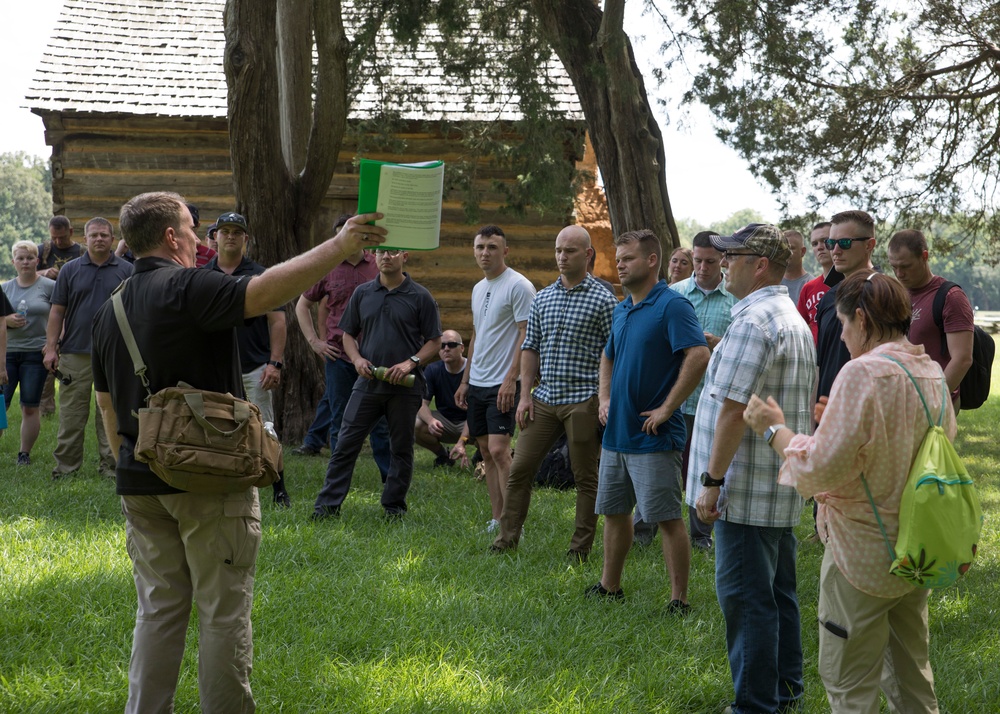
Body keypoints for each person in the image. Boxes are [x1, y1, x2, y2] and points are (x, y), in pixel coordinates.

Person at [91, 191, 386, 713]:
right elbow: (263, 292)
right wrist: (340, 245)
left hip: (138, 480)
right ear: (170, 237)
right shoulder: (187, 284)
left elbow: (107, 404)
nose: (197, 237)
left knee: (157, 612)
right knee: (222, 615)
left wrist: (129, 462)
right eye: (190, 227)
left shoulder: (110, 307)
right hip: (210, 481)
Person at [744, 270, 955, 713]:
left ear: (861, 317)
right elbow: (927, 449)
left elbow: (820, 469)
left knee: (850, 686)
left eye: (841, 324)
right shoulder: (931, 371)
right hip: (916, 548)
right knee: (913, 678)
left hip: (861, 553)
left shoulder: (863, 373)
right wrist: (835, 423)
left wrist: (773, 429)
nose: (841, 337)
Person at [688, 223, 816, 714]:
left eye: (731, 256)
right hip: (776, 487)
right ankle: (784, 694)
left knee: (747, 600)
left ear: (758, 264)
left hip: (743, 490)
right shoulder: (788, 317)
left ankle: (756, 706)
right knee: (778, 595)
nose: (723, 263)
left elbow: (731, 411)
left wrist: (711, 484)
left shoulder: (752, 322)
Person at [587, 229, 709, 607]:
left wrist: (668, 408)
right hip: (617, 432)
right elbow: (607, 355)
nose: (619, 265)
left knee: (667, 517)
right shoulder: (622, 307)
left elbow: (698, 354)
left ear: (652, 260)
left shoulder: (672, 306)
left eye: (628, 258)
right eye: (618, 258)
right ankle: (610, 587)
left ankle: (679, 600)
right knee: (614, 512)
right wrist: (604, 397)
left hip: (652, 433)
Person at [489, 226, 617, 561]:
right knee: (520, 470)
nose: (562, 257)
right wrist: (525, 395)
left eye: (570, 251)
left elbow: (613, 352)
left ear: (588, 255)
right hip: (544, 399)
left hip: (583, 400)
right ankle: (505, 541)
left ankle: (579, 549)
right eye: (558, 250)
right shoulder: (543, 298)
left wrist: (604, 397)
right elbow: (530, 347)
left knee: (585, 477)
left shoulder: (604, 300)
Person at [312, 248, 441, 519]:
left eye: (393, 252)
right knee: (346, 442)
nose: (386, 257)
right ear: (375, 255)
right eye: (382, 251)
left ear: (405, 256)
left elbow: (434, 342)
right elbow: (348, 334)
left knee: (401, 447)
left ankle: (393, 507)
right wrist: (357, 359)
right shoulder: (362, 293)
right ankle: (326, 508)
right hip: (368, 382)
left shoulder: (420, 296)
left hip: (405, 387)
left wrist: (411, 362)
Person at [634, 230, 736, 550]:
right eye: (698, 260)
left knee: (704, 467)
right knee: (659, 464)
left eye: (710, 261)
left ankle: (701, 535)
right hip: (672, 397)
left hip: (711, 398)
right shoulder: (673, 294)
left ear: (723, 261)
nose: (703, 267)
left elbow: (740, 349)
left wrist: (716, 344)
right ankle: (643, 530)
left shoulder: (736, 300)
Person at [292, 214, 391, 481]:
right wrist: (315, 342)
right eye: (340, 233)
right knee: (341, 419)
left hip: (375, 356)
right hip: (339, 358)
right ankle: (337, 482)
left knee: (381, 423)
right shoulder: (328, 268)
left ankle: (390, 481)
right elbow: (302, 305)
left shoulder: (378, 264)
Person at [454, 225, 536, 532]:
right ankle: (497, 517)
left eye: (491, 247)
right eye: (479, 247)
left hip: (503, 384)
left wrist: (511, 379)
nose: (484, 253)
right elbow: (477, 334)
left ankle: (515, 521)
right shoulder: (478, 288)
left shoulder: (519, 286)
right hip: (477, 382)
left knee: (501, 451)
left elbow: (527, 334)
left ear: (505, 250)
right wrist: (465, 380)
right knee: (486, 451)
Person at [206, 212, 290, 506]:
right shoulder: (202, 275)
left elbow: (277, 321)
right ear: (214, 236)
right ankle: (221, 481)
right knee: (216, 426)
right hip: (213, 367)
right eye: (224, 231)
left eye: (236, 232)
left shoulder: (262, 275)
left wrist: (274, 362)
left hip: (255, 366)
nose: (230, 236)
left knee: (265, 427)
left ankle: (279, 487)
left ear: (246, 239)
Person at [44, 217, 133, 479]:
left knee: (112, 414)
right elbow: (57, 311)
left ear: (112, 239)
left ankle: (113, 467)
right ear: (85, 238)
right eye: (94, 235)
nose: (99, 239)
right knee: (72, 414)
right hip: (75, 352)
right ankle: (66, 469)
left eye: (104, 235)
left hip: (115, 354)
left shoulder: (127, 271)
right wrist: (51, 348)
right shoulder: (70, 270)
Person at [887, 229, 974, 409]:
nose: (899, 273)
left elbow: (963, 358)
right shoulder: (897, 295)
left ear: (924, 256)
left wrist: (932, 399)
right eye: (894, 267)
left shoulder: (951, 297)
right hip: (901, 401)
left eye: (905, 266)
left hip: (936, 403)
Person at [815, 210, 878, 402]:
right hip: (825, 413)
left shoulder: (884, 294)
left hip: (865, 412)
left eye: (844, 243)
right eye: (831, 243)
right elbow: (820, 365)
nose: (835, 251)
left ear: (870, 245)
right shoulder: (827, 298)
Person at [3, 241, 56, 465]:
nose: (25, 262)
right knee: (0, 403)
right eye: (21, 258)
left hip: (36, 354)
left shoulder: (49, 286)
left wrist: (55, 345)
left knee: (29, 406)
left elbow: (59, 316)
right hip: (5, 354)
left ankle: (24, 454)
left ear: (37, 261)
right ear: (13, 261)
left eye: (30, 258)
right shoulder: (4, 289)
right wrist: (6, 320)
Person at [416, 329, 468, 466]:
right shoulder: (432, 370)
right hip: (445, 422)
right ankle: (443, 456)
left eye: (451, 345)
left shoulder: (473, 369)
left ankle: (481, 457)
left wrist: (462, 440)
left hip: (471, 422)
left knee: (488, 425)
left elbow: (478, 410)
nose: (446, 349)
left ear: (461, 348)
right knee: (414, 424)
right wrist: (431, 420)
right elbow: (421, 403)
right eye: (442, 345)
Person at [796, 221, 833, 343]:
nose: (819, 247)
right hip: (817, 359)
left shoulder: (851, 284)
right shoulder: (809, 288)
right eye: (815, 243)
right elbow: (798, 328)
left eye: (825, 241)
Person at [37, 215, 82, 280]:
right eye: (54, 238)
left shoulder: (82, 252)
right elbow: (26, 276)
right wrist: (44, 273)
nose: (58, 242)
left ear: (71, 232)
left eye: (62, 238)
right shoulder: (42, 250)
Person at [780, 229, 813, 304]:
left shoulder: (811, 285)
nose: (786, 252)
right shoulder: (773, 282)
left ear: (803, 251)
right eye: (783, 249)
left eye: (791, 248)